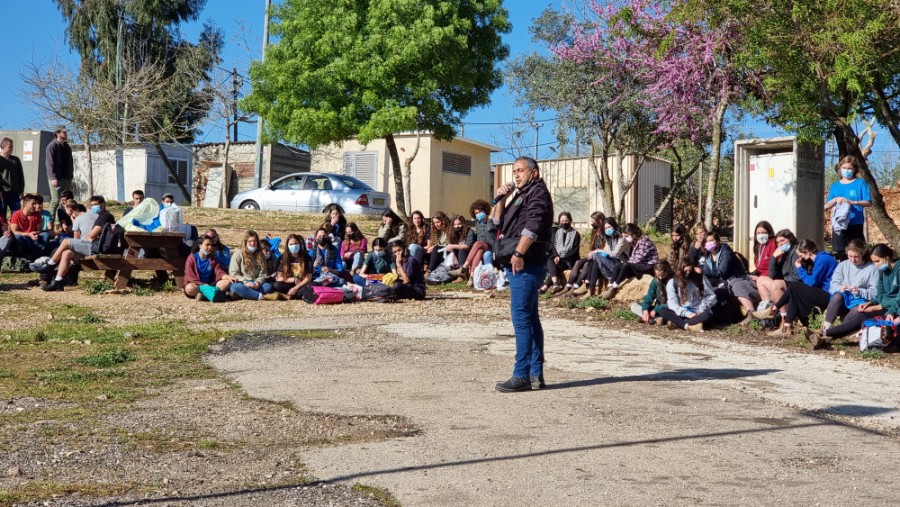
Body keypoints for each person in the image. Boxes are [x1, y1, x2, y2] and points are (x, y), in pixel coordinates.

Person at [492, 156, 554, 393]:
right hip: (521, 263)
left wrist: (518, 253)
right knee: (531, 318)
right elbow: (497, 222)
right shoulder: (521, 194)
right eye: (514, 171)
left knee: (521, 319)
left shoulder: (537, 193)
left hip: (526, 264)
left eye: (520, 171)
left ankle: (522, 376)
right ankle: (535, 374)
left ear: (534, 172)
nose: (516, 175)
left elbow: (533, 226)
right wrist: (501, 199)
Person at [806, 244, 900, 348]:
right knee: (859, 312)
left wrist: (881, 307)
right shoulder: (883, 271)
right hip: (884, 305)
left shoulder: (897, 270)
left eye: (877, 261)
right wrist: (869, 303)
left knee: (861, 317)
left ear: (887, 257)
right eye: (874, 262)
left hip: (892, 308)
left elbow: (898, 298)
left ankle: (823, 334)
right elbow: (880, 294)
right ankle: (824, 336)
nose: (876, 265)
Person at [801, 239, 878, 346]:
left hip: (860, 299)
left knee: (857, 310)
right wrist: (839, 288)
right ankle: (825, 328)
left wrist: (860, 291)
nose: (853, 259)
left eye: (856, 257)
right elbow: (833, 284)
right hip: (843, 296)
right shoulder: (843, 265)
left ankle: (825, 336)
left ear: (863, 254)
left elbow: (874, 292)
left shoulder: (871, 269)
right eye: (850, 256)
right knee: (837, 296)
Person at [29, 195, 115, 291]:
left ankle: (50, 265)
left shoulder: (105, 216)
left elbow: (92, 235)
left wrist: (90, 235)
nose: (94, 207)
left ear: (103, 205)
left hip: (96, 247)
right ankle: (58, 282)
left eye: (96, 205)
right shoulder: (100, 217)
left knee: (66, 241)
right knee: (66, 253)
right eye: (92, 205)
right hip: (95, 246)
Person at [754, 239, 838, 337]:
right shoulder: (819, 259)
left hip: (830, 295)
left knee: (794, 286)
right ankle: (785, 328)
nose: (801, 258)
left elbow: (811, 283)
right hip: (823, 292)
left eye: (801, 255)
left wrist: (800, 268)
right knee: (794, 292)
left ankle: (773, 310)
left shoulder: (823, 260)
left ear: (807, 252)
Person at [730, 221, 777, 324]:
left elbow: (774, 266)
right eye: (758, 233)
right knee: (734, 283)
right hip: (758, 277)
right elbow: (759, 266)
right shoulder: (758, 246)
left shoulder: (772, 244)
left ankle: (758, 315)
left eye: (763, 232)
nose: (761, 235)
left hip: (767, 280)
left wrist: (761, 277)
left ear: (769, 232)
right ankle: (751, 314)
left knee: (739, 285)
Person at [824, 156, 871, 260]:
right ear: (840, 168)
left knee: (857, 251)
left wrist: (853, 202)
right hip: (839, 224)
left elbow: (868, 202)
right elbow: (827, 205)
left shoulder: (861, 184)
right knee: (842, 253)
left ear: (854, 169)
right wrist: (836, 199)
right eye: (844, 168)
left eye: (849, 168)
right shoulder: (835, 185)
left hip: (855, 223)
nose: (846, 170)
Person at [658, 257, 717, 332]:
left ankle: (678, 323)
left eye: (690, 271)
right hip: (682, 312)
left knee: (707, 316)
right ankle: (687, 325)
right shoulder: (672, 283)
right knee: (663, 311)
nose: (688, 273)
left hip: (699, 312)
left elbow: (712, 296)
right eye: (685, 271)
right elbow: (672, 303)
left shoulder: (700, 278)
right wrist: (686, 313)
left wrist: (701, 309)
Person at [601, 223, 658, 300]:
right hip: (640, 263)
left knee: (626, 265)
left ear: (632, 233)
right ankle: (609, 286)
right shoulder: (636, 241)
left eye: (627, 236)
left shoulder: (644, 241)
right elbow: (633, 258)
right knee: (618, 265)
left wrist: (626, 264)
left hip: (648, 265)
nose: (626, 238)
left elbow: (638, 259)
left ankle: (614, 287)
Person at [755, 229, 801, 314]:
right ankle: (767, 308)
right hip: (788, 282)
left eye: (782, 240)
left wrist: (782, 281)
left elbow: (797, 276)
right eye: (778, 242)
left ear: (790, 239)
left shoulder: (796, 252)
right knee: (761, 279)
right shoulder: (785, 254)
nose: (780, 244)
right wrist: (774, 257)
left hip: (796, 284)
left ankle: (784, 315)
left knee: (776, 284)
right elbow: (772, 275)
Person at [453, 199, 495, 286]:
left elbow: (491, 232)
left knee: (478, 243)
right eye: (476, 213)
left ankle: (464, 267)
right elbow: (478, 237)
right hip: (481, 247)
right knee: (479, 251)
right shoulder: (477, 224)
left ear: (485, 211)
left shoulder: (491, 221)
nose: (478, 214)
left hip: (491, 246)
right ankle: (471, 278)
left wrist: (489, 219)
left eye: (480, 212)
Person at [228, 230, 277, 300]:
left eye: (255, 241)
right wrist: (245, 282)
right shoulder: (237, 254)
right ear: (245, 242)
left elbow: (263, 274)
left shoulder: (261, 255)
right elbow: (233, 273)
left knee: (268, 287)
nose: (252, 243)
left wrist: (258, 282)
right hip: (243, 283)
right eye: (250, 241)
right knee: (234, 287)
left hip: (256, 283)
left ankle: (244, 295)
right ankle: (260, 296)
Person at [183, 235, 233, 300]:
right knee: (189, 288)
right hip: (198, 285)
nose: (210, 247)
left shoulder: (212, 258)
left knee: (226, 282)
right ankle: (212, 294)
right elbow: (190, 276)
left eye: (211, 245)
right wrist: (202, 284)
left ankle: (205, 295)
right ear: (199, 245)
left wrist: (228, 277)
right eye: (207, 245)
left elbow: (219, 271)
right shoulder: (192, 258)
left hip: (211, 284)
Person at [542, 211, 581, 293]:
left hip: (570, 260)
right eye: (562, 221)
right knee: (550, 260)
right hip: (559, 258)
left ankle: (544, 287)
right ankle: (555, 284)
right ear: (559, 222)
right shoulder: (557, 233)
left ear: (570, 221)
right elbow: (554, 246)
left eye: (566, 221)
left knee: (556, 268)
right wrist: (556, 256)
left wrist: (561, 258)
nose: (564, 223)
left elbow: (574, 251)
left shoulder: (575, 234)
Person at [9, 194, 55, 260]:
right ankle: (21, 256)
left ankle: (37, 254)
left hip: (33, 238)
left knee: (45, 235)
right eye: (33, 204)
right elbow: (14, 231)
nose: (35, 206)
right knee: (17, 237)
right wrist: (28, 234)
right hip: (23, 239)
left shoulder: (37, 215)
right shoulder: (16, 214)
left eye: (36, 204)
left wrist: (35, 234)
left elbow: (39, 230)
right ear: (26, 204)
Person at [46, 127, 74, 225]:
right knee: (55, 200)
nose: (66, 134)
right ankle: (49, 223)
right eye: (64, 132)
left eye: (67, 132)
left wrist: (70, 176)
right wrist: (53, 178)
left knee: (67, 201)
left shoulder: (67, 147)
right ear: (58, 133)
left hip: (66, 178)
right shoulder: (52, 146)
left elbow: (70, 162)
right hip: (56, 179)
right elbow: (50, 163)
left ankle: (62, 223)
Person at [631, 260, 674, 325]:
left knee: (667, 311)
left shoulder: (673, 281)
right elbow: (649, 298)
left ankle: (652, 318)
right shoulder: (655, 281)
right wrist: (645, 310)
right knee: (634, 306)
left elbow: (673, 303)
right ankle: (653, 318)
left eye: (663, 275)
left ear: (667, 271)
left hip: (668, 307)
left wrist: (656, 309)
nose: (660, 278)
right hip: (657, 308)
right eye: (658, 275)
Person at [273, 234, 313, 299]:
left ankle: (293, 294)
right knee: (276, 285)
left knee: (312, 285)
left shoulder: (307, 257)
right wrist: (293, 279)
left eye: (296, 243)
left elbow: (308, 277)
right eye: (291, 244)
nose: (294, 246)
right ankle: (296, 295)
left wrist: (296, 288)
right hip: (288, 284)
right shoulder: (282, 258)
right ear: (287, 246)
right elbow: (278, 278)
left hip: (301, 285)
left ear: (299, 244)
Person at [0, 137, 25, 218]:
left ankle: (14, 230)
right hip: (2, 192)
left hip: (14, 192)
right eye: (10, 146)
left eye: (12, 146)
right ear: (3, 146)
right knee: (1, 214)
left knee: (16, 214)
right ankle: (4, 231)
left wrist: (21, 191)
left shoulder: (15, 160)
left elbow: (21, 176)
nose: (12, 148)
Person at [444, 214, 475, 279]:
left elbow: (467, 246)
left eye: (459, 224)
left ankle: (462, 273)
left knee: (462, 249)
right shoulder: (452, 233)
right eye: (455, 224)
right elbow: (450, 244)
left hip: (469, 252)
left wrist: (454, 246)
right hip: (456, 253)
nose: (457, 226)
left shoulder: (469, 231)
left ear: (463, 223)